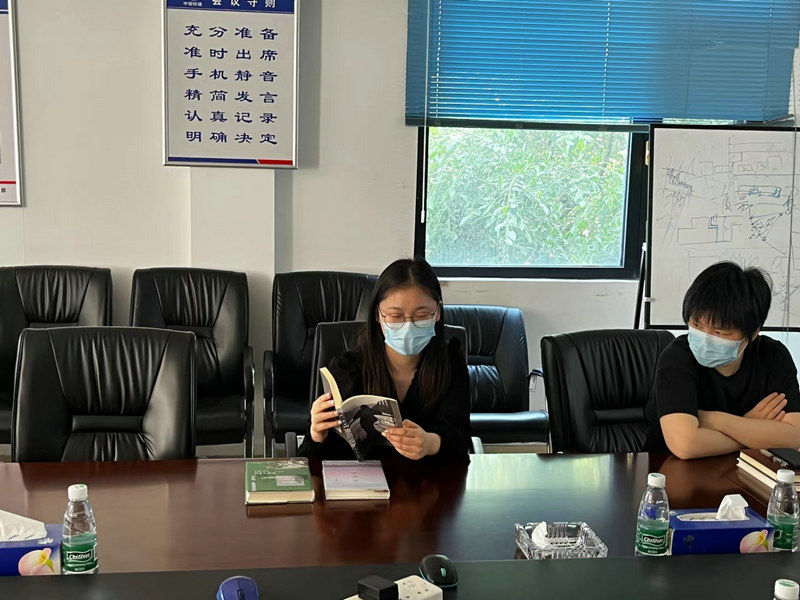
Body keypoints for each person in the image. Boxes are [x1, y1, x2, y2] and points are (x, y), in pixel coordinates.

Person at [298, 257, 471, 462]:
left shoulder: (450, 364)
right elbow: (310, 459)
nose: (408, 326)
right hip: (360, 479)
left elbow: (463, 443)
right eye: (395, 316)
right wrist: (317, 434)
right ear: (378, 315)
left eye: (422, 315)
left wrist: (431, 443)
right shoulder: (347, 369)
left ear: (438, 312)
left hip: (427, 479)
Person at [645, 261, 800, 459]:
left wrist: (715, 420)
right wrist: (752, 429)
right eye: (697, 324)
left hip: (744, 471)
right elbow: (686, 445)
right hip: (669, 470)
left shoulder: (773, 357)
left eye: (719, 332)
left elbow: (794, 437)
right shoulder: (677, 358)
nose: (705, 337)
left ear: (753, 333)